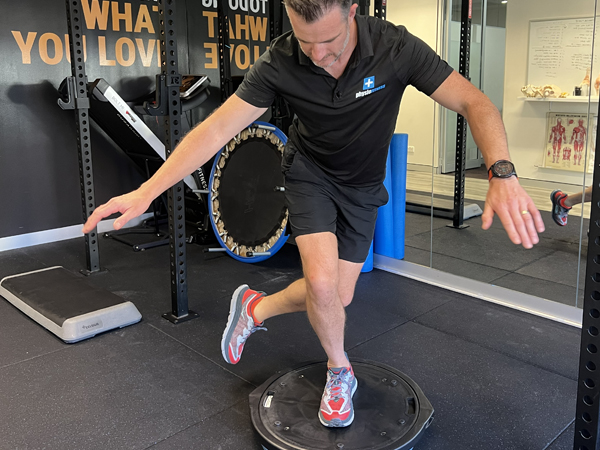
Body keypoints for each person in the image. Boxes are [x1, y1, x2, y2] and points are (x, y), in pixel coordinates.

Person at [82, 0, 545, 428]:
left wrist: (502, 172)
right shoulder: (279, 60)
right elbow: (217, 129)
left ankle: (255, 307)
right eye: (307, 42)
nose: (319, 55)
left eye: (331, 41)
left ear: (352, 11)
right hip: (310, 175)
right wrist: (148, 190)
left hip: (363, 187)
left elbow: (474, 101)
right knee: (322, 286)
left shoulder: (395, 47)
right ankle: (340, 371)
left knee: (338, 296)